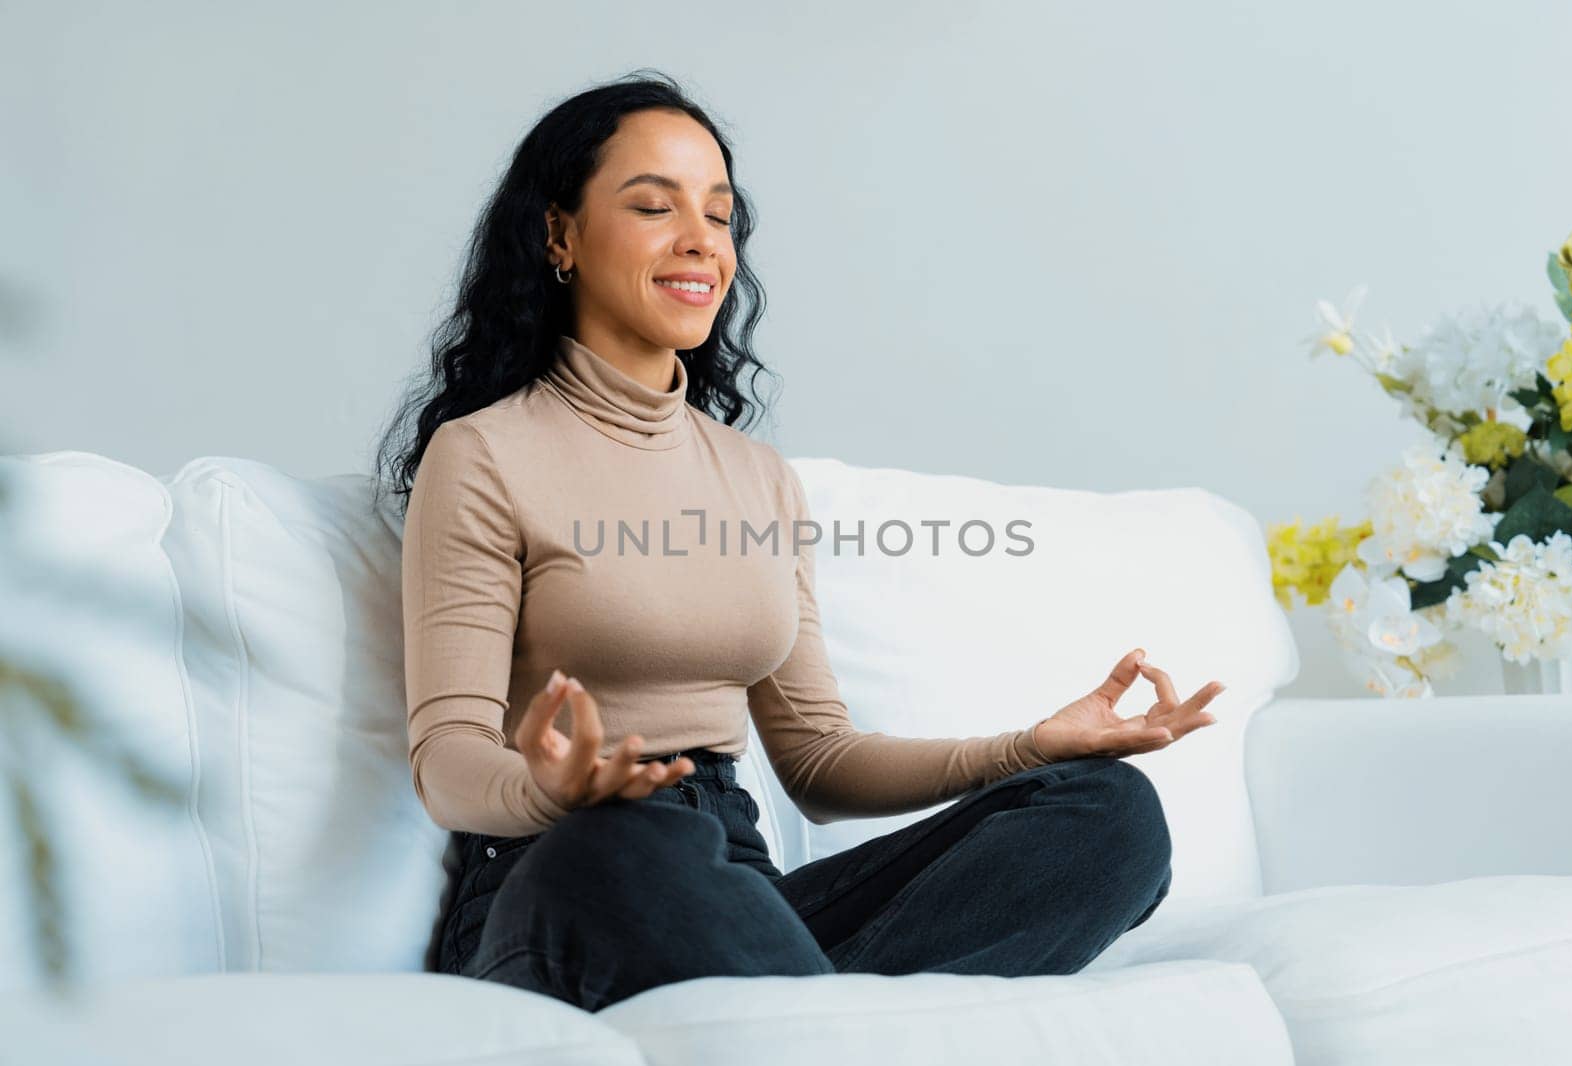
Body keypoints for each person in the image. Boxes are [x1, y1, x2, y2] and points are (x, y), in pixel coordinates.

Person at [373, 69, 1223, 1014]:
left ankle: (798, 1019)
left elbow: (818, 761)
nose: (701, 240)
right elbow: (446, 759)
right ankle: (828, 1020)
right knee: (636, 844)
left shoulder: (758, 478)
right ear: (559, 234)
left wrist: (1029, 746)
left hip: (742, 897)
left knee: (1105, 814)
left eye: (720, 214)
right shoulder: (485, 453)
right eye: (654, 206)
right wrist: (553, 790)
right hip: (567, 877)